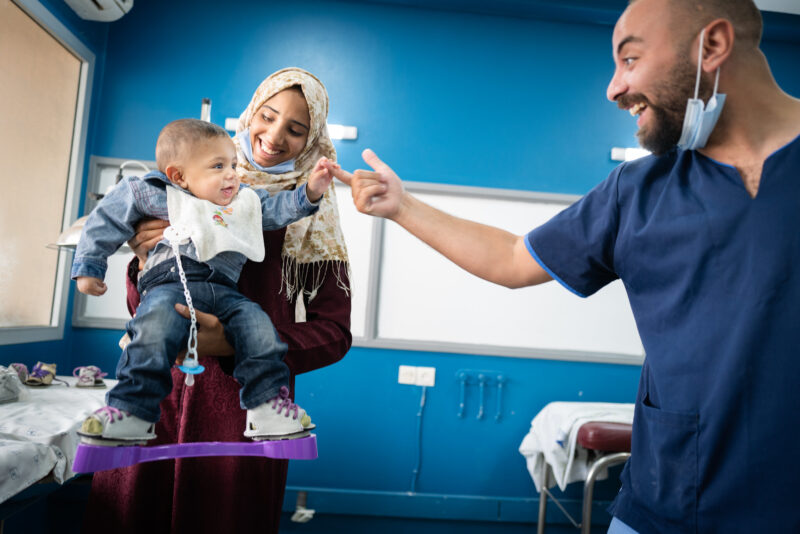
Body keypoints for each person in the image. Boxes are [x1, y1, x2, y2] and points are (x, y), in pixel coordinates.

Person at [333, 1, 800, 532]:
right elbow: (512, 258)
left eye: (630, 59)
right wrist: (402, 207)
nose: (614, 88)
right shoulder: (638, 191)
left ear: (711, 47)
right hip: (663, 509)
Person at [83, 68, 352, 533]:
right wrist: (142, 257)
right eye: (267, 117)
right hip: (156, 399)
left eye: (296, 128)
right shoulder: (182, 188)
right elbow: (138, 303)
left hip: (242, 417)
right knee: (132, 516)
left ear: (313, 140)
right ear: (249, 115)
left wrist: (232, 343)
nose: (274, 136)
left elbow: (334, 333)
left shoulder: (312, 224)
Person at [72, 117, 338, 442]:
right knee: (152, 332)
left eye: (233, 164)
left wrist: (310, 192)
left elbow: (276, 209)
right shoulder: (155, 193)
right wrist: (89, 267)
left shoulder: (243, 201)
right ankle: (132, 410)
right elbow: (106, 218)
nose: (231, 174)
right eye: (218, 166)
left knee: (259, 330)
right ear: (179, 176)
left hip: (224, 294)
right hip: (171, 285)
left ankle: (267, 406)